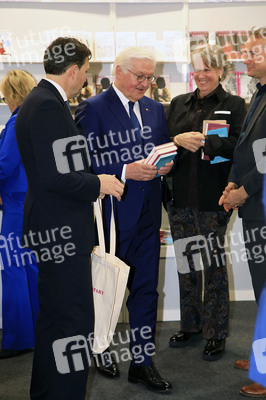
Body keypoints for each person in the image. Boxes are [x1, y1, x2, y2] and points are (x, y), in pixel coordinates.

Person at [15, 37, 124, 400]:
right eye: (87, 70)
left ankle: (47, 393)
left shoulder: (40, 101)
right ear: (74, 69)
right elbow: (55, 176)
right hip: (59, 233)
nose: (87, 78)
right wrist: (99, 183)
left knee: (55, 322)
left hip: (54, 228)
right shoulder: (47, 105)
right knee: (73, 323)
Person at [75, 46, 173, 393]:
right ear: (118, 71)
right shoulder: (93, 107)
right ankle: (101, 349)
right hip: (110, 216)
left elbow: (159, 148)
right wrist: (123, 170)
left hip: (148, 216)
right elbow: (82, 163)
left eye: (150, 77)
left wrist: (165, 162)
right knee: (105, 288)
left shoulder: (155, 108)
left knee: (147, 291)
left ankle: (142, 363)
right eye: (139, 76)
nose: (146, 83)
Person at [166, 44, 247, 361]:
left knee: (212, 267)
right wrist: (176, 140)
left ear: (221, 71)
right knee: (187, 265)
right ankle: (191, 325)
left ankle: (216, 333)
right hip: (179, 198)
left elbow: (238, 146)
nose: (201, 74)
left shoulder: (235, 104)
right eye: (197, 68)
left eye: (208, 69)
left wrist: (202, 141)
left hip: (213, 199)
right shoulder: (177, 104)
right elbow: (164, 141)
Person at [219, 26, 266, 398]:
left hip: (261, 205)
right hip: (253, 206)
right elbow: (245, 148)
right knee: (261, 287)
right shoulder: (258, 93)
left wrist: (244, 191)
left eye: (254, 52)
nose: (245, 57)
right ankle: (259, 356)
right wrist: (234, 183)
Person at [0, 70, 39, 359]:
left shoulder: (16, 122)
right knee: (31, 269)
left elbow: (4, 165)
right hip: (32, 202)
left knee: (14, 272)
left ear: (12, 94)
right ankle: (34, 332)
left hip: (15, 204)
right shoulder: (37, 119)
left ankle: (18, 338)